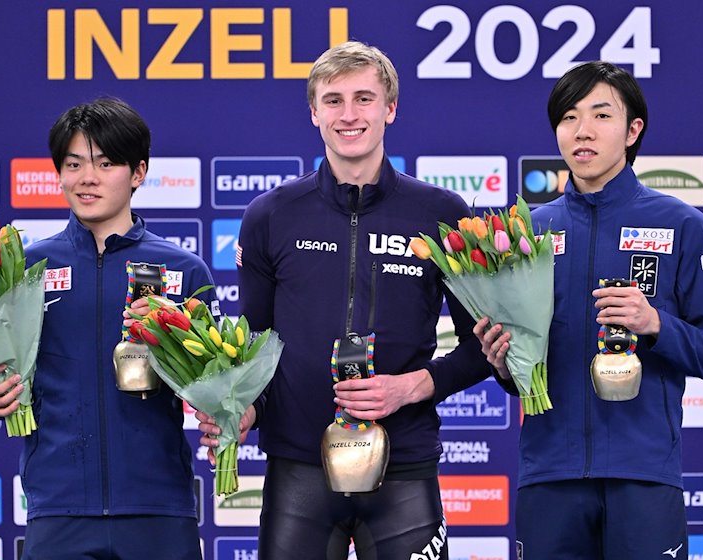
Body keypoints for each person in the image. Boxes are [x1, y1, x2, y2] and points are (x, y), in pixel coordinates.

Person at [196, 41, 490, 559]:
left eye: (364, 98)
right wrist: (247, 410)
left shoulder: (442, 213)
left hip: (404, 464)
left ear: (390, 109)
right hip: (299, 467)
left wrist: (412, 387)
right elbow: (256, 345)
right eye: (333, 100)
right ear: (313, 112)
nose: (348, 114)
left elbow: (483, 349)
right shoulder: (270, 215)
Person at [474, 61, 703, 559]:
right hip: (549, 475)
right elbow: (522, 372)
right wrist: (503, 362)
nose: (583, 132)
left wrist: (655, 323)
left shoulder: (683, 225)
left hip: (644, 475)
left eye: (601, 115)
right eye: (569, 118)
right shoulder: (525, 232)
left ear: (633, 129)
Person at [0, 97, 214, 559]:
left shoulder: (185, 270)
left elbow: (216, 383)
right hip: (59, 509)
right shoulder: (25, 270)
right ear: (59, 172)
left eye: (105, 163)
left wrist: (224, 412)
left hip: (158, 509)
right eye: (74, 163)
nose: (87, 178)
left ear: (138, 172)